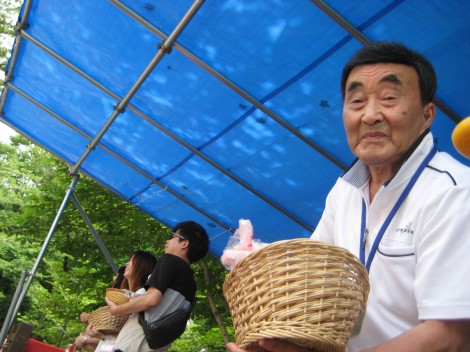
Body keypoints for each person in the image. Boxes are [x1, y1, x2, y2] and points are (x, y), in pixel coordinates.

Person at [227, 42, 470, 352]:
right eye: (356, 101)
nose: (369, 115)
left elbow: (452, 337)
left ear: (427, 115)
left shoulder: (455, 191)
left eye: (389, 98)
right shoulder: (345, 189)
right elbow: (311, 285)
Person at [107, 221, 210, 352]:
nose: (168, 240)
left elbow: (151, 299)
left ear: (184, 243)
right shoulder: (192, 284)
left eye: (173, 236)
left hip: (133, 343)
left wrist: (117, 310)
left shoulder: (169, 260)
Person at [74, 265, 128, 352]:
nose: (114, 278)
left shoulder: (128, 307)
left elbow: (117, 339)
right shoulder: (111, 307)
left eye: (117, 275)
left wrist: (85, 339)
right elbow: (101, 334)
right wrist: (88, 322)